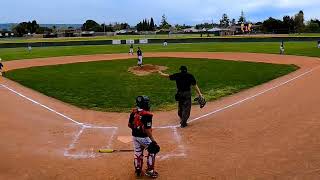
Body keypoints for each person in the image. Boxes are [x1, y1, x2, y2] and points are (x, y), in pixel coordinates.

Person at [128, 96, 160, 178]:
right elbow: (147, 130)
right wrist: (153, 140)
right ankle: (150, 171)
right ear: (145, 104)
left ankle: (138, 169)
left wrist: (137, 130)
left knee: (138, 151)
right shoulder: (147, 115)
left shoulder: (133, 112)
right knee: (152, 150)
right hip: (144, 138)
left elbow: (129, 125)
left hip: (134, 136)